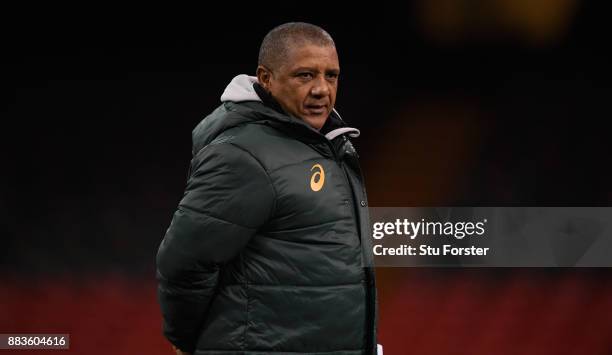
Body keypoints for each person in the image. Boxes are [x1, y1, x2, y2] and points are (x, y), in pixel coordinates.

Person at [156, 22, 380, 355]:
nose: (321, 89)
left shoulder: (330, 144)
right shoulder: (243, 154)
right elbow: (183, 262)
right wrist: (186, 341)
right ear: (266, 79)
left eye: (330, 76)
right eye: (305, 75)